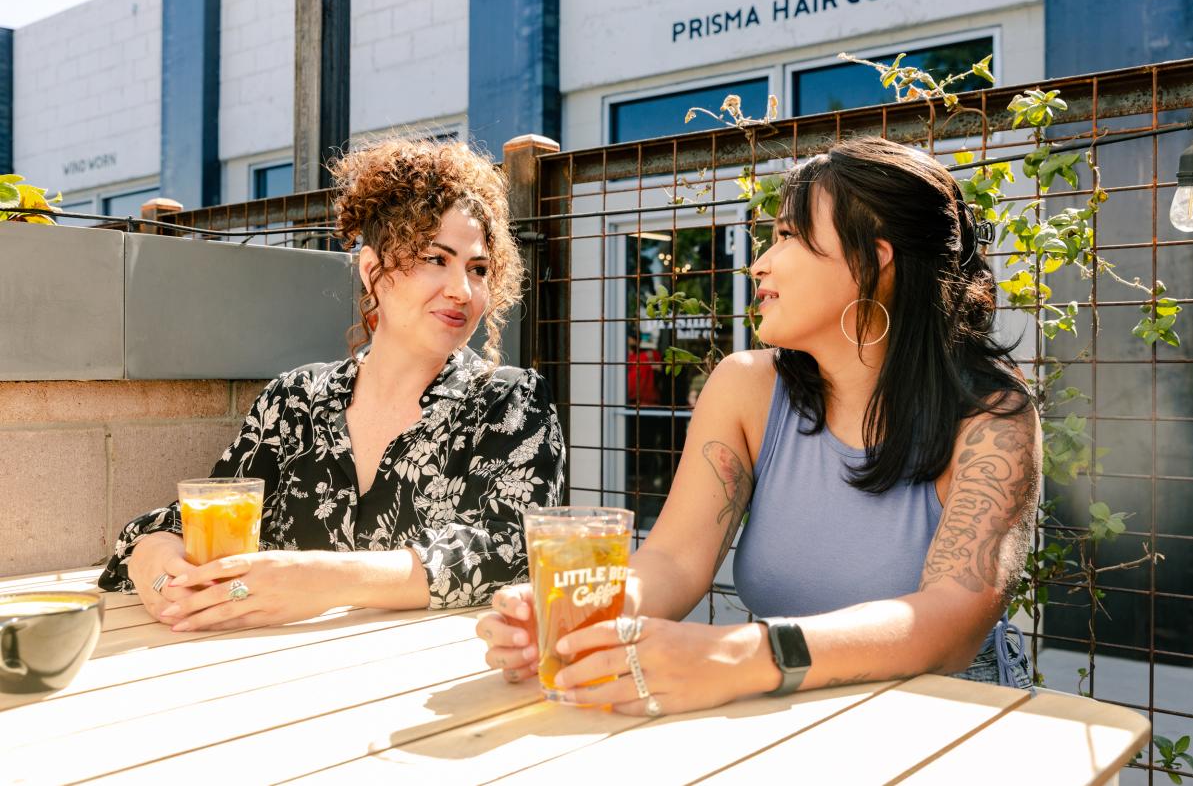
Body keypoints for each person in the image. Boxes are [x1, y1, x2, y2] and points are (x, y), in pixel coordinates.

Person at [477, 136, 1039, 716]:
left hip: (951, 716)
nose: (759, 263)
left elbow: (950, 623)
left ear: (872, 261)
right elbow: (673, 561)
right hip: (782, 708)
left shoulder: (991, 417)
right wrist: (585, 616)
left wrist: (737, 655)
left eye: (789, 235)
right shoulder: (746, 387)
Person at [99, 138, 565, 630]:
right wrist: (157, 562)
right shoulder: (294, 401)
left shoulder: (511, 403)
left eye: (478, 269)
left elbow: (514, 549)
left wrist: (324, 581)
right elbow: (198, 518)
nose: (461, 290)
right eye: (435, 259)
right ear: (372, 270)